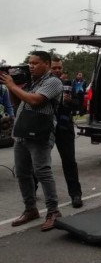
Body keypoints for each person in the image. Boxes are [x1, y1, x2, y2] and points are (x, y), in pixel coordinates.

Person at [0, 51, 63, 231]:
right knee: (22, 173)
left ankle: (53, 211)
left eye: (35, 63)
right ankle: (30, 209)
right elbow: (19, 103)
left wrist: (12, 86)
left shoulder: (53, 82)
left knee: (42, 171)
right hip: (22, 132)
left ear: (47, 64)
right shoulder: (30, 82)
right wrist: (14, 87)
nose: (31, 66)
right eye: (30, 63)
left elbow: (35, 101)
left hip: (40, 133)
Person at [51, 57, 83, 208]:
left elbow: (80, 106)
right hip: (47, 129)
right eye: (54, 68)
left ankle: (76, 194)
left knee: (69, 162)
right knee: (39, 163)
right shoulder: (42, 84)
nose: (57, 70)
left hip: (64, 128)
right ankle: (32, 191)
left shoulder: (68, 85)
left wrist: (70, 101)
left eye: (59, 68)